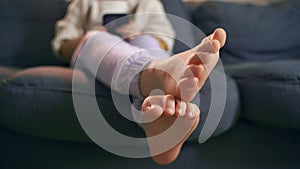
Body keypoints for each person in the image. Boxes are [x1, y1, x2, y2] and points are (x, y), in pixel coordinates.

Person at [52, 0, 226, 165]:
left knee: (148, 42)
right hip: (95, 56)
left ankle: (156, 114)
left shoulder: (148, 3)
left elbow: (164, 38)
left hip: (142, 48)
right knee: (93, 39)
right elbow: (62, 45)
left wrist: (139, 35)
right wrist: (100, 33)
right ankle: (159, 74)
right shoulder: (83, 4)